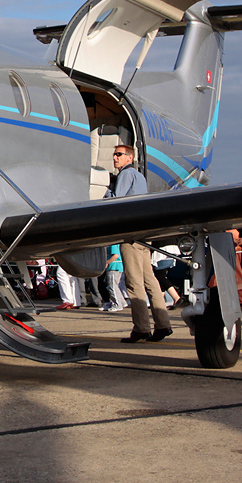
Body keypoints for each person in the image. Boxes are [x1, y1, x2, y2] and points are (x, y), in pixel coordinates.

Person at [106, 145, 172, 343]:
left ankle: (141, 328)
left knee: (134, 282)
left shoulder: (125, 175)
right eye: (114, 154)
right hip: (144, 235)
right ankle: (163, 323)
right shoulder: (140, 177)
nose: (115, 158)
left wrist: (107, 191)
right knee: (150, 279)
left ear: (129, 157)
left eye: (119, 154)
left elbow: (117, 201)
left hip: (131, 234)